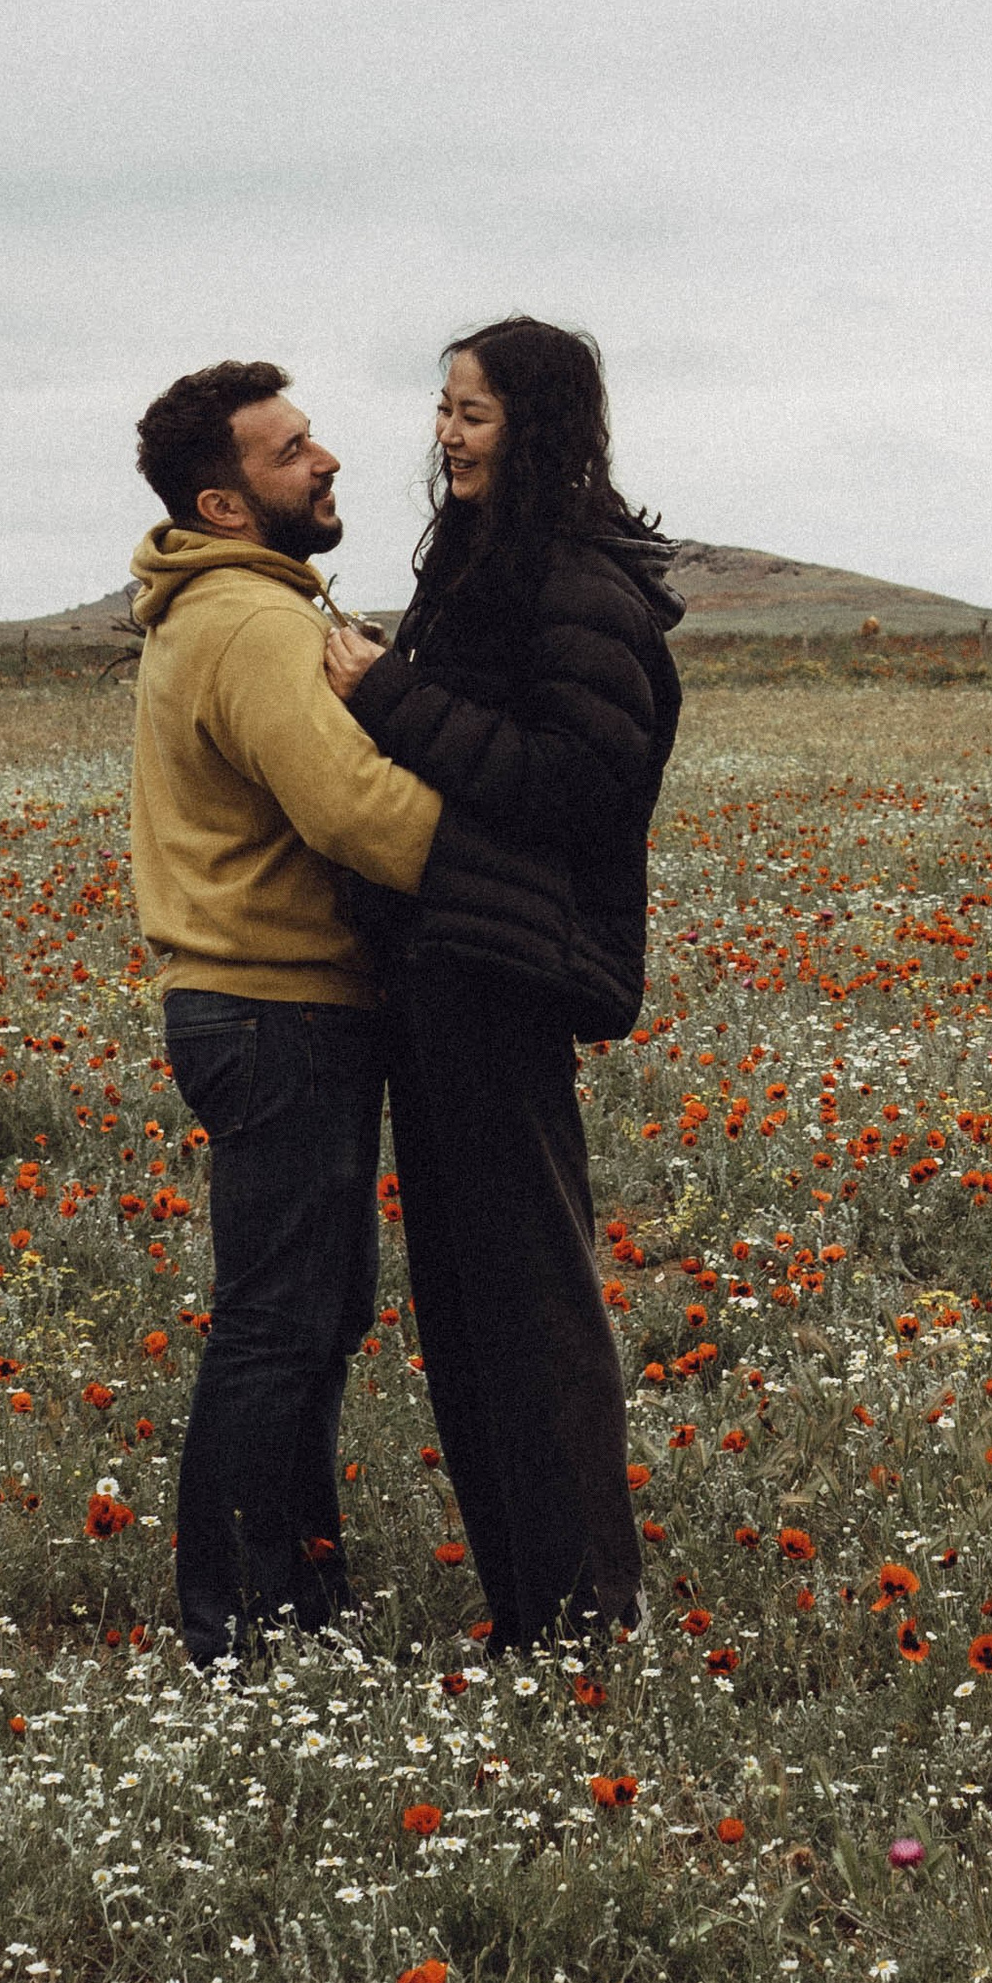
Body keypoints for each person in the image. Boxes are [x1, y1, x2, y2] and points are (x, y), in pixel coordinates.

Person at [322, 312, 683, 1648]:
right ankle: (537, 1609)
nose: (445, 432)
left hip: (505, 973)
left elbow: (580, 786)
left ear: (534, 421)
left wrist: (387, 696)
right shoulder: (489, 560)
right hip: (450, 964)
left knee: (527, 1300)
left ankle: (587, 1617)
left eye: (470, 412)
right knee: (470, 1312)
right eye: (442, 408)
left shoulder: (577, 579)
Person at [129, 359, 446, 1668]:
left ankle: (298, 1601)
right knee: (278, 1323)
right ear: (227, 499)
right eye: (290, 452)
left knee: (311, 1317)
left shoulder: (223, 609)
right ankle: (238, 1631)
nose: (325, 461)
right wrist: (520, 856)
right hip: (276, 1012)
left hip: (263, 1011)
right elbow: (352, 810)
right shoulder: (252, 625)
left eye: (313, 439)